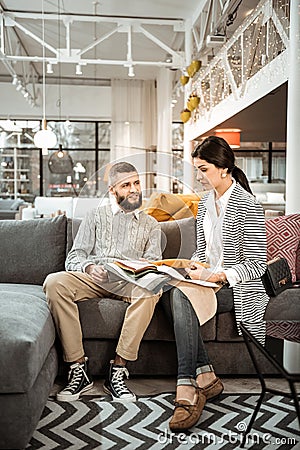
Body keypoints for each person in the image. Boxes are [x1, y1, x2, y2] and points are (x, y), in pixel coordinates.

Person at [161, 136, 269, 432]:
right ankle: (206, 376)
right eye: (197, 169)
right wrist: (196, 265)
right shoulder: (206, 202)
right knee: (167, 289)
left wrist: (217, 276)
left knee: (180, 298)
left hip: (236, 286)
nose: (199, 176)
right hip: (207, 280)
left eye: (204, 169)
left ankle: (187, 385)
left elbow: (257, 265)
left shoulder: (249, 205)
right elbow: (202, 249)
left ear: (224, 168)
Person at [44, 162, 163, 403]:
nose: (134, 189)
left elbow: (154, 264)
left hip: (129, 282)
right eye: (126, 185)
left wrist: (142, 267)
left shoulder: (151, 224)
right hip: (96, 279)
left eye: (137, 183)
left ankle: (117, 370)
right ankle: (78, 369)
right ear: (112, 190)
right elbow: (76, 255)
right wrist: (89, 267)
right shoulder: (95, 216)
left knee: (153, 288)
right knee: (54, 282)